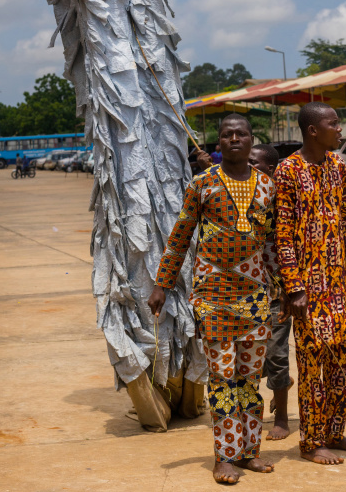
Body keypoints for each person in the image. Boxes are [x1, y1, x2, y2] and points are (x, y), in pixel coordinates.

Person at [149, 114, 276, 484]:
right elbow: (180, 237)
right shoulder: (202, 184)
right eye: (226, 134)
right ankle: (224, 456)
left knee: (251, 378)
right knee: (222, 378)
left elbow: (272, 244)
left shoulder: (267, 186)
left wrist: (282, 293)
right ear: (218, 143)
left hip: (255, 297)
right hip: (214, 297)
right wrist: (163, 284)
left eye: (241, 134)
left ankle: (250, 452)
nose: (234, 139)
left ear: (253, 140)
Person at [274, 102, 346, 466]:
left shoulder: (336, 165)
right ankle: (312, 441)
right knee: (312, 366)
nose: (340, 129)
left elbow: (342, 219)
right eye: (334, 124)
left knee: (342, 359)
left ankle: (334, 431)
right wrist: (294, 288)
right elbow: (282, 236)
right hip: (307, 288)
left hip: (338, 282)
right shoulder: (287, 170)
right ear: (313, 130)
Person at [248, 143, 293, 442]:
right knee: (254, 357)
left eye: (254, 163)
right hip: (247, 292)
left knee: (276, 355)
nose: (248, 168)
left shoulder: (281, 199)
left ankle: (282, 418)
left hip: (277, 291)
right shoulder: (240, 197)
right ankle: (281, 386)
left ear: (270, 169)